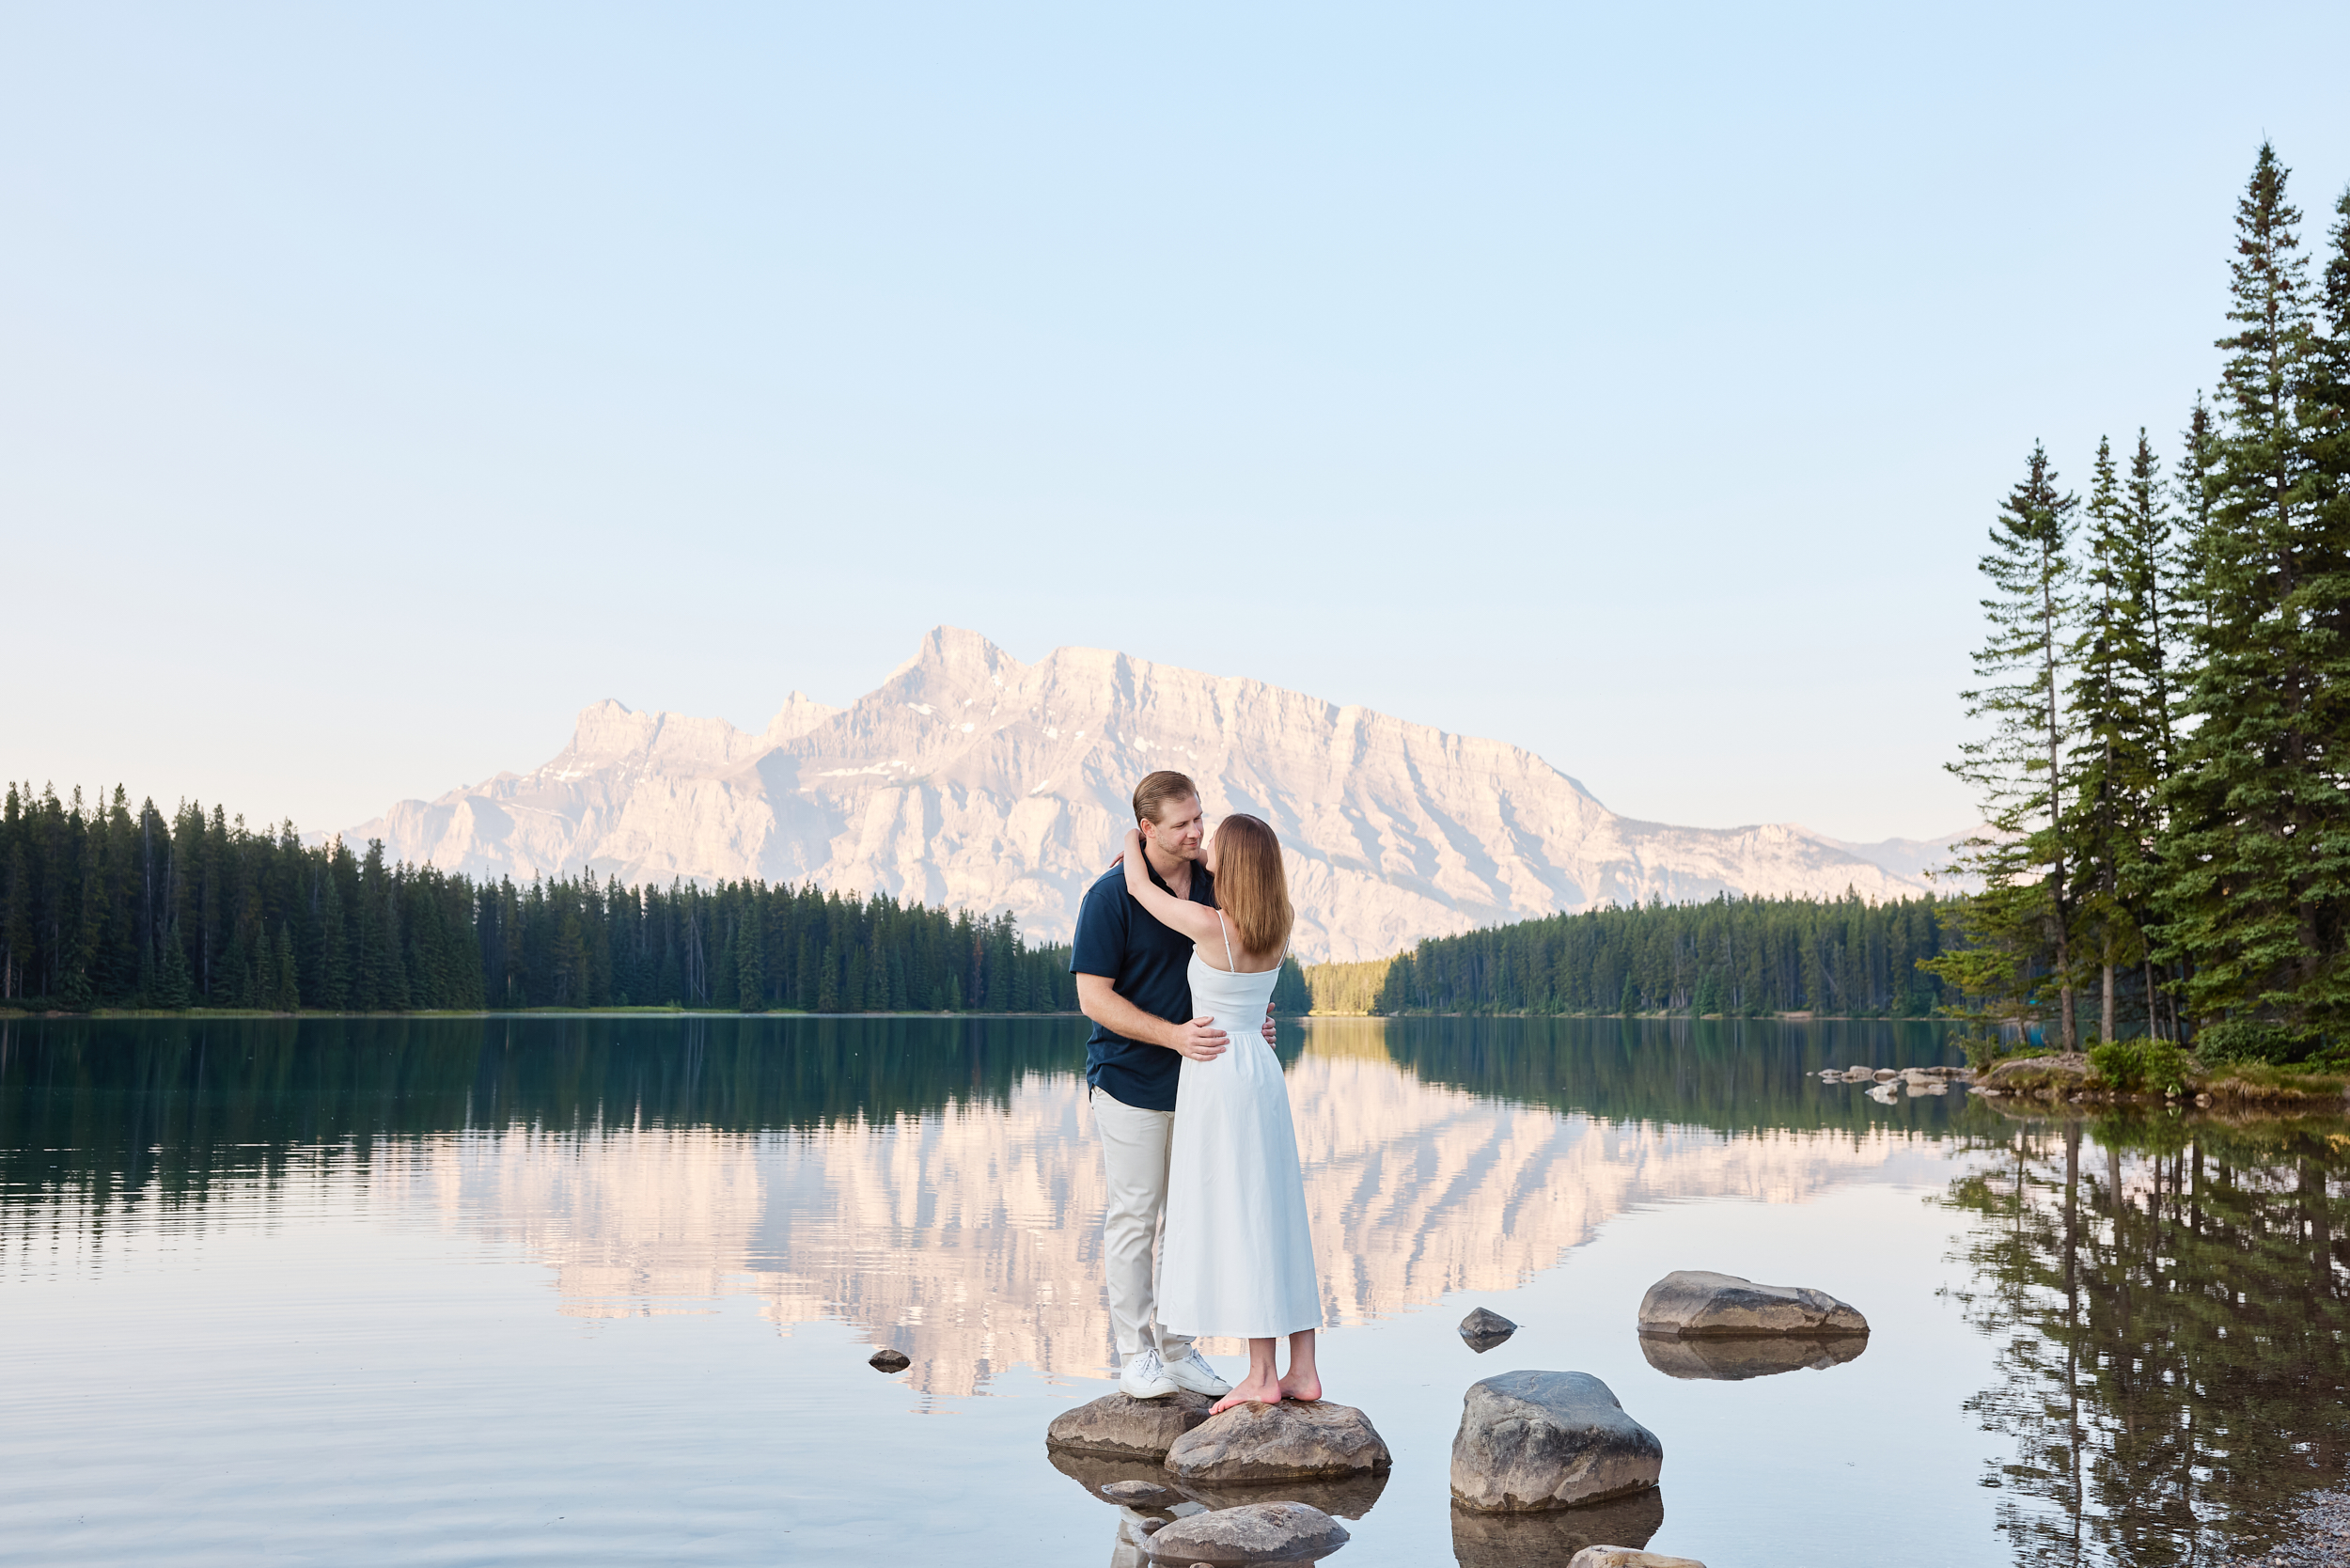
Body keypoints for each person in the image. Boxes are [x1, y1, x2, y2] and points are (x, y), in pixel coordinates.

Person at [1069, 770, 1272, 1402]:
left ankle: (1178, 1350)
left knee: (1190, 1218)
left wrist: (1250, 1017)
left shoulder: (1216, 884)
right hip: (1130, 1080)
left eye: (1199, 819)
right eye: (1182, 823)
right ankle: (1136, 1355)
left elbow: (1242, 955)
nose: (1196, 832)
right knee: (1136, 1216)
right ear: (1148, 828)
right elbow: (1092, 998)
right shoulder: (1111, 897)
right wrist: (1174, 1036)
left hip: (1205, 1082)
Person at [1118, 810, 1321, 1413]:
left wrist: (1135, 838)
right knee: (1278, 1211)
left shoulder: (1212, 927)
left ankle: (1261, 1376)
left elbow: (1137, 888)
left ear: (1234, 865)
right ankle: (1302, 1369)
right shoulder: (1276, 927)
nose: (1205, 847)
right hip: (1260, 1069)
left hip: (1219, 1076)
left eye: (1216, 845)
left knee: (1244, 1217)